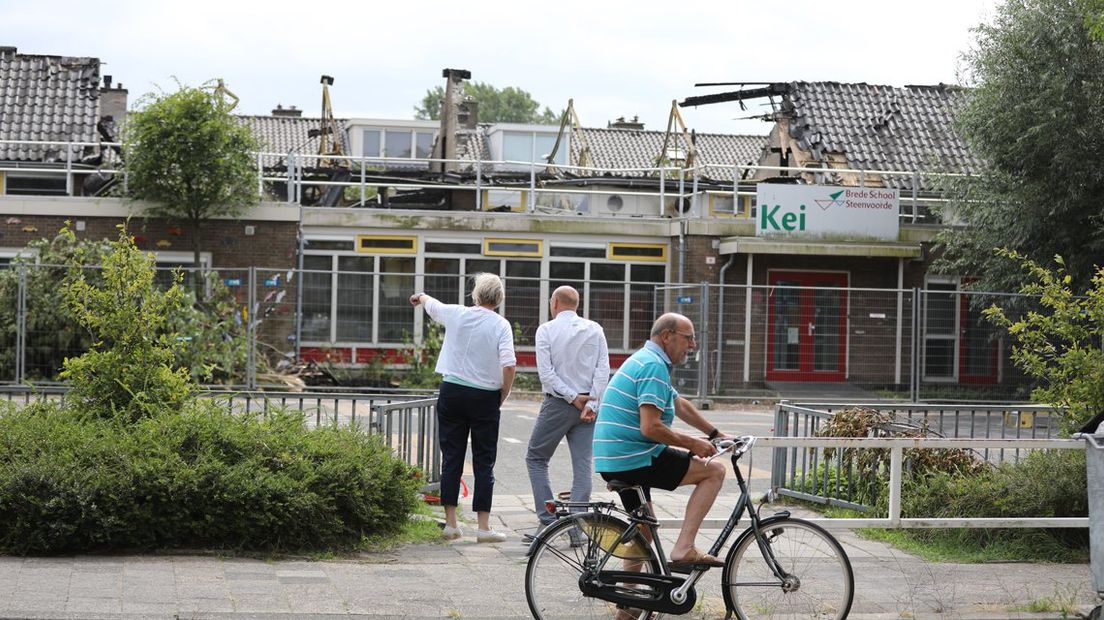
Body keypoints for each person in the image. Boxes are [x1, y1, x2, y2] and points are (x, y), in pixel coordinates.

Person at [593, 312, 727, 568]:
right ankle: (684, 548)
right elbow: (651, 427)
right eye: (688, 338)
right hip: (633, 456)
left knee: (643, 530)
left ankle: (627, 605)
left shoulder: (647, 360)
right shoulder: (653, 366)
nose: (693, 345)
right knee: (715, 472)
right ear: (667, 336)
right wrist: (693, 444)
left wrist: (714, 434)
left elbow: (679, 404)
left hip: (612, 457)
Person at [410, 273, 516, 543]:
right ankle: (483, 527)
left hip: (452, 392)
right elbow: (509, 363)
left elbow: (432, 304)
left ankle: (451, 524)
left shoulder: (456, 314)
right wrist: (503, 392)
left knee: (452, 456)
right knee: (484, 460)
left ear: (475, 295)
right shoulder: (501, 325)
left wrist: (420, 297)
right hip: (485, 397)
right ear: (499, 299)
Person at [525, 286, 610, 535]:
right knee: (583, 464)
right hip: (589, 407)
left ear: (554, 303)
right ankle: (577, 528)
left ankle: (549, 522)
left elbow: (547, 374)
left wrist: (573, 398)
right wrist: (591, 403)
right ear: (577, 304)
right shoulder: (595, 329)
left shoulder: (546, 330)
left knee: (536, 458)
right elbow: (602, 370)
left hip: (559, 404)